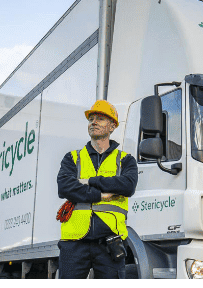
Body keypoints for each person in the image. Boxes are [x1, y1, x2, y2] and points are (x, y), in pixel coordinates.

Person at [56, 100, 138, 279]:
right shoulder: (73, 158)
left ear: (112, 126)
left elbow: (128, 186)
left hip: (110, 242)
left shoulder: (125, 160)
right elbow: (64, 187)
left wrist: (91, 181)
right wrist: (99, 194)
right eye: (91, 118)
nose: (93, 122)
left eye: (100, 118)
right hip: (74, 243)